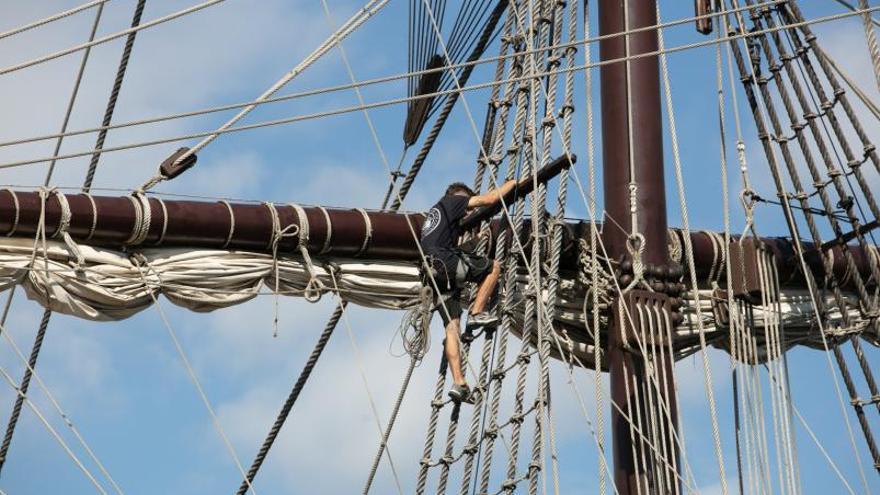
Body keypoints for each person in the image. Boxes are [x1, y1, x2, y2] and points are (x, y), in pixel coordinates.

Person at [420, 179, 522, 404]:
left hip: (431, 274)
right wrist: (513, 183)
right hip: (444, 262)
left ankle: (459, 382)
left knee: (452, 327)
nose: (467, 211)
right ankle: (477, 313)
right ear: (460, 195)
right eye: (467, 204)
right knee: (493, 267)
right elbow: (490, 199)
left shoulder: (433, 216)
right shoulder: (453, 200)